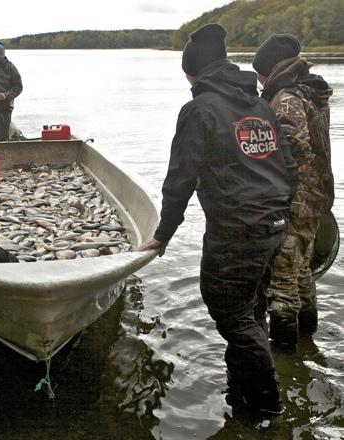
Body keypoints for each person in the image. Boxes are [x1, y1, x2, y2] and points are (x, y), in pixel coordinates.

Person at [139, 23, 298, 415]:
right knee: (250, 311)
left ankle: (265, 406)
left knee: (230, 313)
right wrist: (280, 212)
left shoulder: (199, 109)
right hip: (273, 225)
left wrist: (162, 234)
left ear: (194, 71)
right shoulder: (259, 104)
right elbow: (288, 165)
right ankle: (240, 391)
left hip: (237, 232)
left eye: (187, 74)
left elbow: (181, 179)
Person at [253, 35, 334, 347]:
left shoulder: (286, 97)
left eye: (260, 73)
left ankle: (284, 363)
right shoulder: (309, 93)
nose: (259, 81)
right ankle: (307, 344)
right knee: (302, 275)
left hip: (294, 201)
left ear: (271, 70)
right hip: (316, 199)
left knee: (283, 283)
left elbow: (292, 149)